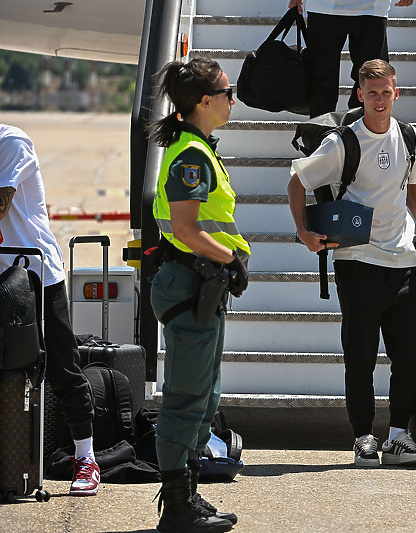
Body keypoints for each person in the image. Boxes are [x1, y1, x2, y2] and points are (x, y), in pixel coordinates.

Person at [288, 59, 416, 466]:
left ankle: (400, 436)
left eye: (387, 92)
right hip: (359, 261)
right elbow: (297, 182)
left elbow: (413, 185)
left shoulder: (410, 136)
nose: (380, 100)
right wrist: (303, 232)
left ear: (396, 92)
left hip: (405, 259)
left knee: (408, 356)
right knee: (361, 358)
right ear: (359, 95)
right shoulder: (342, 143)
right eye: (372, 93)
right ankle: (364, 437)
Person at [148, 57, 250, 533]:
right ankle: (177, 507)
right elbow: (186, 228)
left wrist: (227, 264)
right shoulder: (191, 155)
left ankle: (189, 495)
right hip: (192, 283)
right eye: (227, 93)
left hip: (203, 285)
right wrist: (229, 260)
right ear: (205, 102)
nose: (234, 100)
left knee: (205, 396)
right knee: (187, 397)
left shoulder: (199, 147)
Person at [0, 124, 101, 497]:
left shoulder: (10, 141)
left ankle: (85, 458)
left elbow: (0, 205)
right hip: (1, 271)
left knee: (60, 366)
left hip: (35, 273)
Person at [288, 0, 415, 117]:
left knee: (372, 77)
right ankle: (321, 137)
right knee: (321, 78)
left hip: (372, 8)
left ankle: (360, 134)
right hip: (324, 8)